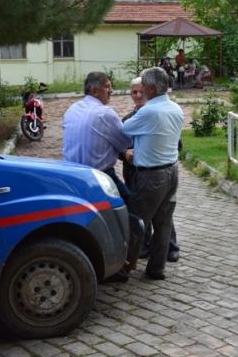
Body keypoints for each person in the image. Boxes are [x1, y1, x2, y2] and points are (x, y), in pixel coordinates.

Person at [121, 67, 184, 281]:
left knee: (136, 222)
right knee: (164, 223)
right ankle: (156, 269)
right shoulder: (176, 108)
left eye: (144, 87)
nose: (141, 92)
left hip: (151, 176)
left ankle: (124, 268)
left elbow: (123, 129)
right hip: (171, 172)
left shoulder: (148, 111)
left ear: (151, 88)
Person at [62, 72, 131, 199]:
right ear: (94, 91)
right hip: (99, 177)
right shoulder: (104, 113)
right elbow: (126, 143)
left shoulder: (72, 109)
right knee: (132, 208)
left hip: (71, 176)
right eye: (107, 87)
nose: (111, 91)